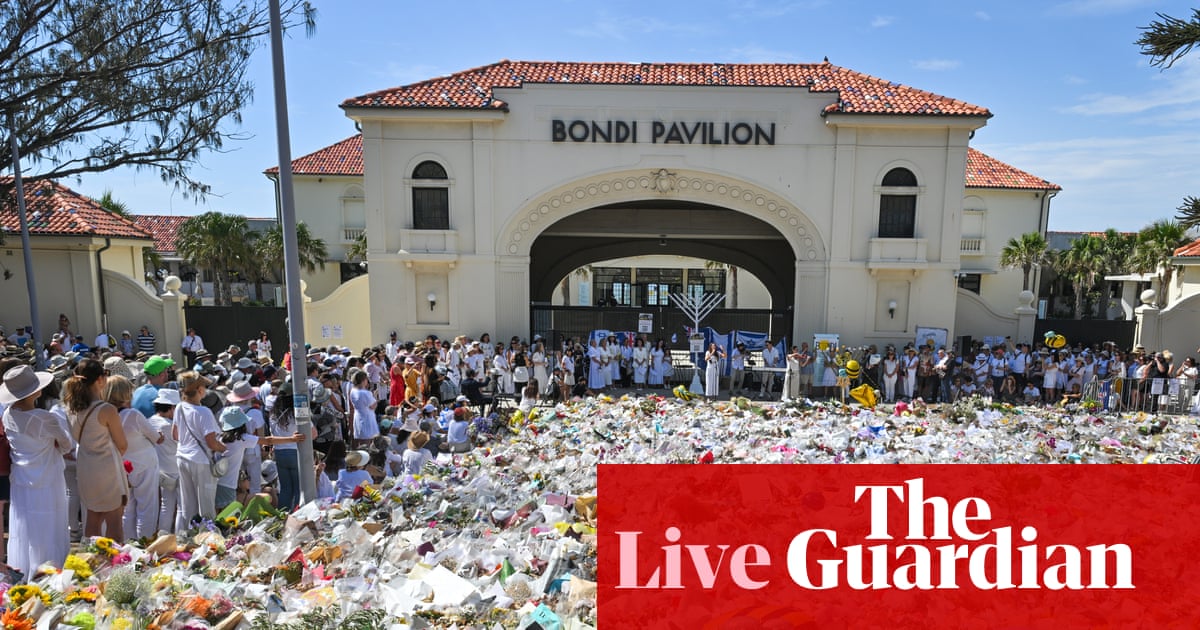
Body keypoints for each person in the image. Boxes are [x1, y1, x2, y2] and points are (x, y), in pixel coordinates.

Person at [1, 365, 73, 576]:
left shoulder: (8, 414)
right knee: (49, 526)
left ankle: (26, 571)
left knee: (26, 527)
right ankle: (48, 573)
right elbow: (67, 445)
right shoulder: (44, 417)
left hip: (21, 479)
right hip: (47, 477)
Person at [64, 358, 129, 539]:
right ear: (100, 379)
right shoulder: (106, 409)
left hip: (85, 466)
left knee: (92, 518)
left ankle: (92, 555)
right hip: (107, 467)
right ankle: (114, 558)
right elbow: (122, 444)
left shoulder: (70, 409)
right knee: (114, 520)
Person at [104, 375, 163, 540]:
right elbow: (156, 438)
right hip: (144, 464)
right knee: (147, 507)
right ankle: (145, 543)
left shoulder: (105, 415)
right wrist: (159, 434)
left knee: (128, 510)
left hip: (122, 465)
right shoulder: (133, 414)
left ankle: (129, 543)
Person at [174, 370, 225, 526]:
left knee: (188, 504)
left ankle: (190, 534)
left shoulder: (179, 407)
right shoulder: (204, 412)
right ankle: (208, 535)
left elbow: (175, 435)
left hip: (182, 456)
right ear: (200, 390)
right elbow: (211, 442)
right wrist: (223, 448)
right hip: (200, 460)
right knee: (206, 504)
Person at [146, 388, 182, 534]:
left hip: (160, 470)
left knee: (166, 505)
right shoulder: (169, 426)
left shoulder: (149, 421)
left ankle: (163, 535)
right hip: (176, 470)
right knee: (181, 507)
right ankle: (179, 535)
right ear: (172, 407)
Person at [349, 370, 379, 448]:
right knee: (367, 441)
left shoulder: (352, 390)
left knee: (361, 439)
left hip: (358, 416)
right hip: (367, 417)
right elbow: (373, 406)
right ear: (363, 380)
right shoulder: (365, 393)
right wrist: (375, 396)